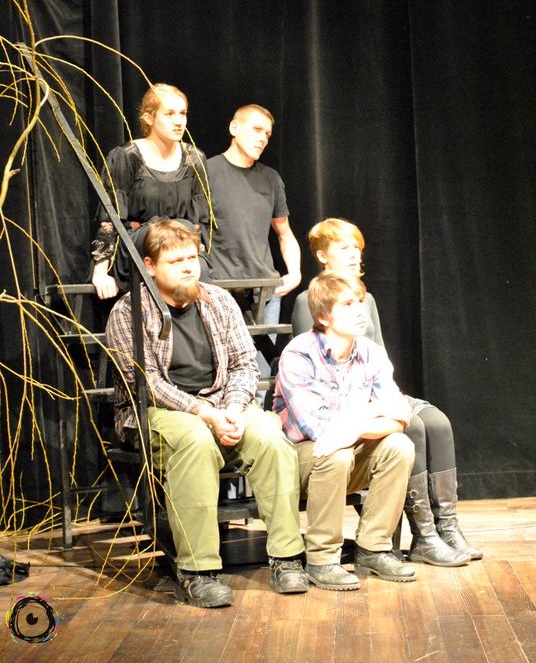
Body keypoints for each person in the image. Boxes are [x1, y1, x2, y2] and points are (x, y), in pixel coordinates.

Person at [105, 218, 308, 608]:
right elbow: (145, 382)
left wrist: (231, 409)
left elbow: (244, 364)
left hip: (222, 403)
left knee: (269, 436)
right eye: (175, 261)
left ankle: (286, 557)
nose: (188, 267)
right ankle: (197, 571)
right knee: (195, 440)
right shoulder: (129, 312)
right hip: (158, 412)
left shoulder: (218, 301)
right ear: (150, 266)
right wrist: (204, 413)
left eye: (191, 258)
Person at [292, 218, 482, 566]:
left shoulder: (367, 299)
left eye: (357, 248)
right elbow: (320, 364)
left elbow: (377, 355)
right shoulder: (310, 301)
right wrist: (376, 410)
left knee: (437, 423)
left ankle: (446, 526)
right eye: (345, 248)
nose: (354, 255)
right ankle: (422, 533)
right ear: (322, 255)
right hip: (344, 401)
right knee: (412, 430)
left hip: (373, 390)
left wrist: (386, 401)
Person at [274, 272, 417, 589]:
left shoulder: (370, 352)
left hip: (347, 448)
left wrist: (356, 428)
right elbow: (320, 428)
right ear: (324, 316)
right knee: (336, 453)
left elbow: (400, 412)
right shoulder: (299, 354)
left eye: (361, 302)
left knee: (399, 446)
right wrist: (371, 412)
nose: (360, 311)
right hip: (301, 459)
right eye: (348, 304)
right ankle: (322, 559)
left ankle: (373, 548)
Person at [92, 83, 210, 299]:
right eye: (169, 114)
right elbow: (109, 219)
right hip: (139, 244)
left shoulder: (195, 158)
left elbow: (197, 222)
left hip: (181, 245)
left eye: (183, 113)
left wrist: (199, 260)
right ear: (148, 118)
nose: (179, 121)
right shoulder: (127, 156)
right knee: (172, 234)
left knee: (194, 255)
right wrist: (100, 271)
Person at [206, 104, 301, 327]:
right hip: (219, 290)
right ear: (234, 128)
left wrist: (295, 273)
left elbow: (284, 233)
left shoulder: (271, 179)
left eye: (267, 134)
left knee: (263, 351)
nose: (263, 139)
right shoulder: (206, 172)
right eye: (257, 130)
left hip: (265, 293)